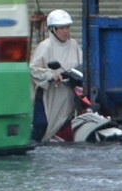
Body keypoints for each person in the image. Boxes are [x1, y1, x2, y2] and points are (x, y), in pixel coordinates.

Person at [29, 9, 82, 142]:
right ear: (53, 29)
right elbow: (33, 69)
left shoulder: (74, 45)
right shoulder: (45, 46)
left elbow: (82, 64)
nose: (66, 31)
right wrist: (50, 75)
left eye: (67, 27)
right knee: (41, 126)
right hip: (50, 96)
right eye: (61, 28)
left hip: (69, 94)